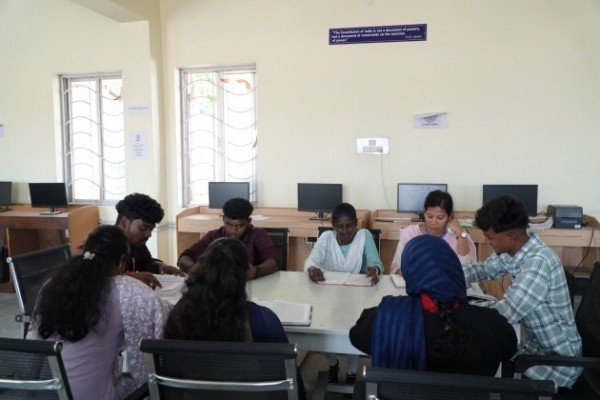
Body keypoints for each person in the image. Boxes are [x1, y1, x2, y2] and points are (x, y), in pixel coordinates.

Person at [29, 225, 171, 400]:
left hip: (45, 392)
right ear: (122, 260)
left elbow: (32, 347)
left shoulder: (52, 285)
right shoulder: (128, 291)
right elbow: (154, 338)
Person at [349, 235, 517, 376]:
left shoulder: (387, 319)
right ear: (455, 270)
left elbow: (356, 336)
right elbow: (509, 348)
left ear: (409, 273)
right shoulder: (492, 324)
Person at [463, 195, 582, 387]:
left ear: (511, 237)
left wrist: (461, 307)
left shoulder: (538, 263)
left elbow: (505, 312)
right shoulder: (518, 249)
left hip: (556, 365)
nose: (487, 241)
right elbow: (483, 269)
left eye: (490, 237)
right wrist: (447, 275)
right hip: (532, 348)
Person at [165, 237, 305, 399]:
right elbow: (289, 383)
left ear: (201, 268)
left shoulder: (179, 313)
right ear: (247, 272)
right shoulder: (262, 321)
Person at [304, 202, 383, 384]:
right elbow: (311, 260)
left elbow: (376, 262)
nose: (345, 231)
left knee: (353, 331)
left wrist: (374, 270)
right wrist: (312, 269)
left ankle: (351, 372)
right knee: (322, 329)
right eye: (340, 226)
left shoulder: (364, 236)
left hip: (356, 296)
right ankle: (332, 363)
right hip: (328, 296)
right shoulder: (326, 238)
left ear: (356, 223)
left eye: (349, 226)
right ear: (333, 225)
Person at [177, 197, 278, 279]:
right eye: (229, 224)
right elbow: (184, 257)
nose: (233, 230)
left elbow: (273, 262)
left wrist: (255, 271)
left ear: (248, 222)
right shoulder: (214, 235)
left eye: (240, 226)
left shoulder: (258, 235)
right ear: (223, 219)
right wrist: (192, 267)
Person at [390, 190, 477, 273]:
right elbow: (396, 268)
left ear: (450, 216)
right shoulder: (411, 234)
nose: (434, 222)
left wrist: (460, 233)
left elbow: (467, 270)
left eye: (440, 218)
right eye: (430, 216)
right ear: (424, 213)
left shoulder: (458, 235)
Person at [115, 193, 183, 288]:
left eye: (151, 229)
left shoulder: (137, 244)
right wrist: (130, 277)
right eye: (143, 228)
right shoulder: (102, 243)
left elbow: (146, 263)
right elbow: (98, 277)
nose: (148, 234)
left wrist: (161, 267)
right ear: (124, 222)